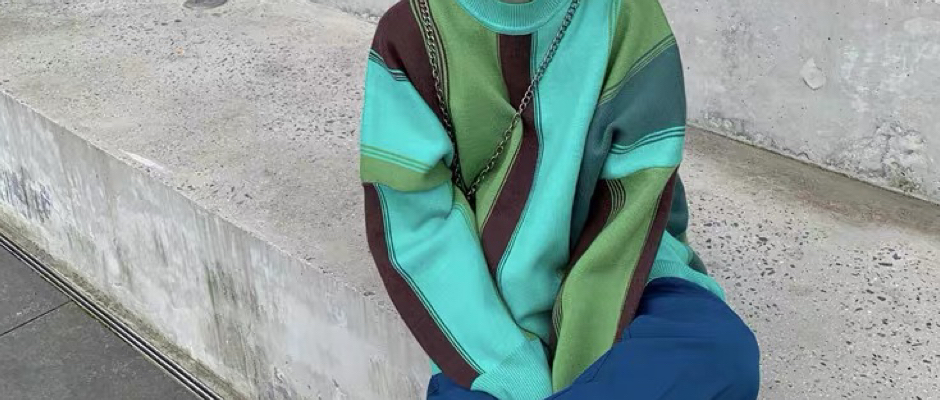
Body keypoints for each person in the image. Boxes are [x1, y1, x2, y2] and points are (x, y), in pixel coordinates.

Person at [359, 0, 760, 398]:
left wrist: (578, 355)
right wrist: (513, 370)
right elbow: (415, 232)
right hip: (483, 305)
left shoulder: (624, 13)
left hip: (631, 269)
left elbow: (634, 205)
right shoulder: (410, 35)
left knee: (722, 355)